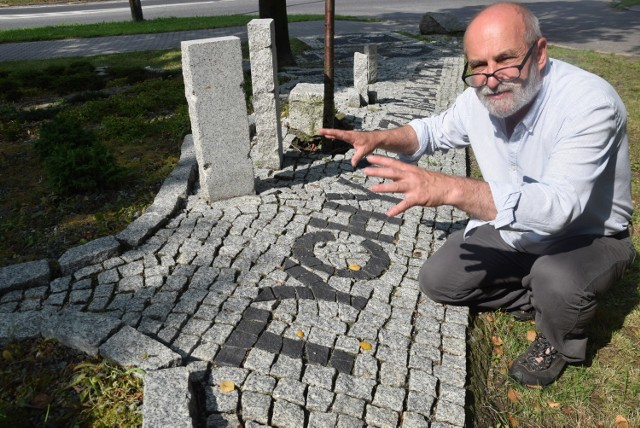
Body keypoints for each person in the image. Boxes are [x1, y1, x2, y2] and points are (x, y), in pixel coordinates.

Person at [318, 2, 635, 388]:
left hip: (588, 235)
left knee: (558, 279)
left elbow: (560, 208)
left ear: (539, 52)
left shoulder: (589, 103)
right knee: (439, 280)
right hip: (515, 228)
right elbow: (432, 132)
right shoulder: (479, 99)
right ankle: (535, 295)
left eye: (505, 61)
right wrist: (381, 137)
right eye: (479, 65)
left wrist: (450, 188)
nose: (490, 79)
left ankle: (557, 337)